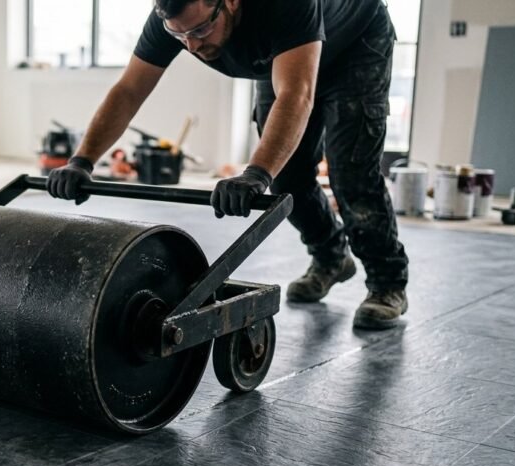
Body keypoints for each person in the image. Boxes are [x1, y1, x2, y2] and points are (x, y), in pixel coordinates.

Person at [47, 0, 409, 330]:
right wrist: (82, 161)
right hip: (282, 57)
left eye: (201, 30)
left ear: (232, 3)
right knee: (287, 177)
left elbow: (296, 94)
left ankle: (387, 283)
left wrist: (256, 172)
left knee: (351, 171)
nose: (192, 46)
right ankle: (331, 257)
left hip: (354, 46)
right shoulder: (172, 19)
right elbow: (129, 91)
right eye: (180, 36)